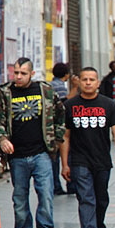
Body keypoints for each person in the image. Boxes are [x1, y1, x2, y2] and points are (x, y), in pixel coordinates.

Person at [0, 57, 65, 228]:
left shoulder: (45, 91)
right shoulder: (4, 93)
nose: (18, 77)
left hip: (41, 154)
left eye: (23, 73)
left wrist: (55, 141)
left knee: (46, 194)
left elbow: (59, 114)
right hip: (18, 156)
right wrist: (3, 139)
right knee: (20, 197)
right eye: (16, 72)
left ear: (32, 74)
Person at [61, 66, 115, 228]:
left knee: (101, 197)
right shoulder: (70, 106)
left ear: (98, 83)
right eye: (84, 79)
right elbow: (65, 136)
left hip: (102, 159)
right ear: (78, 82)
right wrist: (65, 164)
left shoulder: (108, 104)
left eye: (91, 79)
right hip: (80, 159)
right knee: (86, 196)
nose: (88, 82)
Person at [50, 62, 71, 195]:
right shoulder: (61, 87)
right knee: (56, 157)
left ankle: (54, 185)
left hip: (50, 126)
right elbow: (64, 105)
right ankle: (56, 186)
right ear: (66, 75)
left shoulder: (51, 84)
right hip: (57, 126)